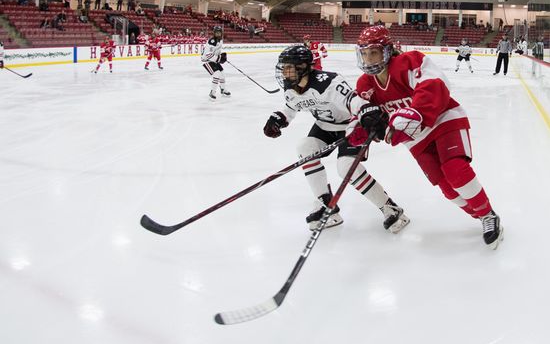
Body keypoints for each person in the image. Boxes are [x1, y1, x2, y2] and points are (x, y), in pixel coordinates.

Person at [348, 25, 503, 249]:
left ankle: (488, 215)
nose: (368, 58)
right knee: (446, 187)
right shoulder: (365, 84)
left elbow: (434, 85)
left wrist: (416, 111)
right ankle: (478, 215)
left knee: (455, 170)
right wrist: (362, 128)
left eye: (373, 52)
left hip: (443, 120)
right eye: (364, 53)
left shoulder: (408, 62)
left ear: (388, 51)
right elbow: (371, 116)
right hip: (416, 139)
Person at [263, 45, 410, 232]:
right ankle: (326, 205)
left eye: (288, 67)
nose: (284, 71)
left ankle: (391, 208)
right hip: (325, 126)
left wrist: (365, 112)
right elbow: (292, 106)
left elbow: (352, 100)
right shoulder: (291, 85)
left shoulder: (327, 82)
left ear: (302, 67)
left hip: (350, 126)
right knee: (305, 147)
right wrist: (280, 118)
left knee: (346, 167)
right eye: (283, 67)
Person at [201, 26, 230, 100]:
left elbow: (216, 51)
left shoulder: (220, 40)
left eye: (219, 32)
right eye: (216, 33)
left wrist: (221, 56)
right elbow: (208, 54)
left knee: (222, 73)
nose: (218, 34)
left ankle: (223, 89)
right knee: (216, 74)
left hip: (214, 60)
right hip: (207, 60)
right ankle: (212, 92)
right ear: (214, 33)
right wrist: (219, 58)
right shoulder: (212, 41)